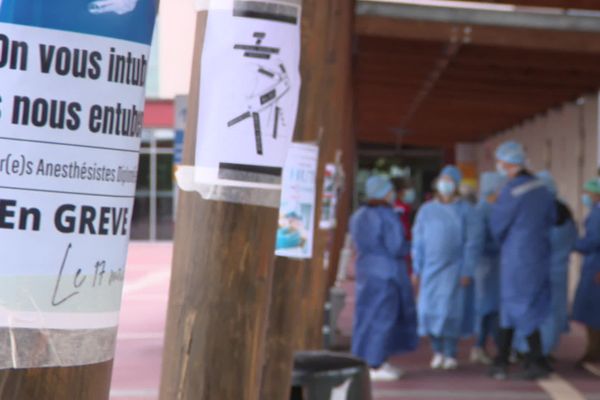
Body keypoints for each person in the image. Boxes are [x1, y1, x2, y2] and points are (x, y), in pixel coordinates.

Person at [489, 141, 556, 380]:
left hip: (517, 255)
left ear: (508, 164)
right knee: (529, 305)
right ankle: (508, 358)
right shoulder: (543, 189)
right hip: (538, 253)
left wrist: (505, 242)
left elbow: (498, 225)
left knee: (516, 304)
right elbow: (552, 218)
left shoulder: (512, 191)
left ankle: (530, 359)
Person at [412, 165, 483, 371]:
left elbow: (473, 242)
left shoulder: (466, 211)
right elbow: (418, 241)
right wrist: (417, 268)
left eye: (450, 180)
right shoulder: (426, 211)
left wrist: (467, 270)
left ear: (457, 185)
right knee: (429, 310)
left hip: (455, 269)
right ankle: (437, 351)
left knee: (451, 311)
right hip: (430, 269)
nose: (445, 184)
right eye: (442, 180)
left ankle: (451, 352)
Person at [350, 175, 418, 381]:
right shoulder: (387, 215)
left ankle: (365, 359)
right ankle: (376, 364)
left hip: (366, 271)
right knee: (383, 318)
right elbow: (396, 245)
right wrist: (410, 247)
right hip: (387, 273)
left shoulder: (359, 215)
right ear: (385, 193)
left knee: (365, 316)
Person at [513, 171, 577, 361]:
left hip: (533, 270)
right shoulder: (565, 212)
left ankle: (526, 349)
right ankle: (546, 350)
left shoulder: (534, 211)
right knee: (553, 313)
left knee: (531, 309)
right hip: (558, 271)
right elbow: (572, 241)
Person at [470, 172, 505, 365]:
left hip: (494, 266)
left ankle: (496, 346)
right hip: (485, 267)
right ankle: (479, 346)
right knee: (484, 310)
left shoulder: (494, 208)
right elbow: (479, 242)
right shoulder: (482, 211)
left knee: (493, 310)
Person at [572, 178, 600, 367]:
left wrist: (573, 243)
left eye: (588, 193)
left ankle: (593, 352)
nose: (586, 196)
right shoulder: (595, 212)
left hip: (596, 267)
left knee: (594, 312)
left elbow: (594, 241)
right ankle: (592, 351)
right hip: (592, 265)